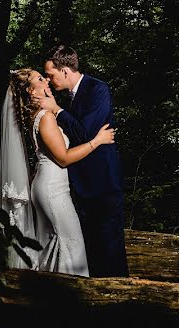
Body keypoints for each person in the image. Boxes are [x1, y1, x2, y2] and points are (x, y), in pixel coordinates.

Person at [0, 68, 115, 276]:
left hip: (46, 186)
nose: (47, 81)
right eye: (41, 79)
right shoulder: (44, 117)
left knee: (53, 248)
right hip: (53, 191)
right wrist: (97, 141)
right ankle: (71, 301)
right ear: (32, 91)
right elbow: (63, 158)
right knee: (73, 248)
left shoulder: (36, 115)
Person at [35, 45, 129, 277]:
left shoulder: (98, 89)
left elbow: (85, 134)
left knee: (111, 250)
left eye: (50, 75)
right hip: (80, 188)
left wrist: (57, 110)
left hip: (104, 186)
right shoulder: (69, 100)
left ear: (65, 71)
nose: (49, 80)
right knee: (93, 252)